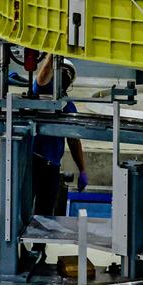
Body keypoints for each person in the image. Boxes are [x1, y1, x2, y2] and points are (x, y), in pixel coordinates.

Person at [29, 54, 89, 266]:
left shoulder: (68, 106)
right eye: (61, 72)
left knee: (46, 212)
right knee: (24, 209)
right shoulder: (41, 94)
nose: (63, 78)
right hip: (32, 163)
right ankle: (20, 249)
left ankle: (38, 250)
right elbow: (41, 78)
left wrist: (82, 169)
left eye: (67, 76)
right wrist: (52, 53)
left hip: (52, 166)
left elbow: (74, 140)